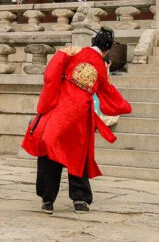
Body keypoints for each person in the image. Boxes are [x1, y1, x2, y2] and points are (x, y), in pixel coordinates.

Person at [21, 28, 132, 215]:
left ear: (93, 41)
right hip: (81, 114)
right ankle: (80, 200)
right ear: (107, 50)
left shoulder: (73, 51)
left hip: (60, 108)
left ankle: (47, 199)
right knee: (77, 154)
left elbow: (51, 73)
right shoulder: (101, 67)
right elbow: (108, 92)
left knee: (50, 148)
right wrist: (124, 106)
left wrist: (48, 100)